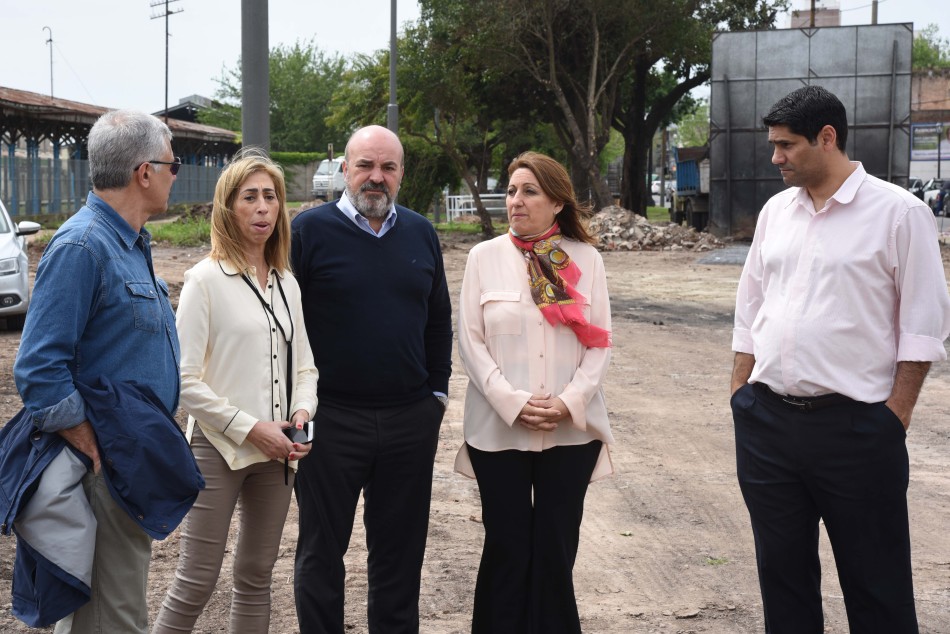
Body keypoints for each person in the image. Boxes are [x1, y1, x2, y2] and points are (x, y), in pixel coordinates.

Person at [731, 85, 950, 633]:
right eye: (773, 145)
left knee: (877, 588)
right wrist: (740, 394)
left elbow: (922, 325)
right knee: (783, 580)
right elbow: (750, 306)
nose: (775, 157)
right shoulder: (776, 212)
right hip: (767, 425)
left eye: (786, 145)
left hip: (856, 429)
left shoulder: (900, 213)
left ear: (827, 138)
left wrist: (893, 417)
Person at [12, 110, 183, 633]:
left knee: (101, 614)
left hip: (126, 459)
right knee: (115, 618)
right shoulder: (83, 246)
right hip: (103, 464)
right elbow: (39, 366)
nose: (176, 175)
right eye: (173, 165)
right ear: (144, 172)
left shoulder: (127, 241)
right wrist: (92, 442)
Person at [290, 125, 453, 633]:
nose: (376, 177)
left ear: (401, 173)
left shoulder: (421, 233)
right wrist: (297, 410)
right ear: (345, 169)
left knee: (400, 555)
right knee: (320, 553)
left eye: (388, 167)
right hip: (329, 419)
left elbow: (438, 319)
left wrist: (436, 395)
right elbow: (284, 325)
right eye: (365, 165)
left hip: (409, 419)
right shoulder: (307, 232)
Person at [152, 149, 317, 632]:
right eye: (250, 197)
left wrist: (302, 416)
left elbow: (305, 366)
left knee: (256, 575)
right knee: (196, 580)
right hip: (217, 448)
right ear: (228, 207)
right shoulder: (204, 280)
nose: (263, 207)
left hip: (279, 449)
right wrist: (250, 428)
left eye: (271, 197)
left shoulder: (287, 283)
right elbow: (183, 380)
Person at [454, 151, 614, 634]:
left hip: (570, 432)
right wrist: (512, 403)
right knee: (506, 547)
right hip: (498, 430)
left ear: (557, 201)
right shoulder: (483, 258)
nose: (516, 201)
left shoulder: (586, 259)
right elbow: (471, 343)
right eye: (511, 191)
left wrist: (568, 402)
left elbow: (600, 343)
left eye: (529, 191)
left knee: (554, 550)